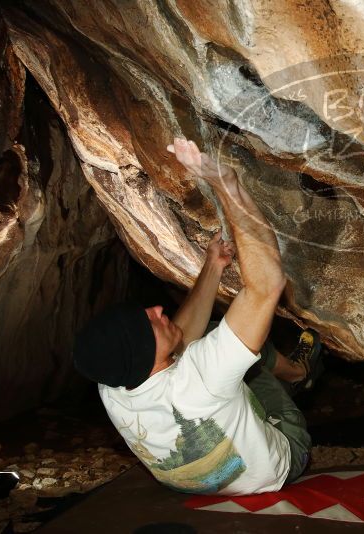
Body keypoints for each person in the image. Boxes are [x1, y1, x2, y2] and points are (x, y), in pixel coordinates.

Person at [72, 137, 322, 495]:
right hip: (278, 466)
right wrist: (225, 185)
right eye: (150, 322)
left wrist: (213, 266)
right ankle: (300, 374)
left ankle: (279, 373)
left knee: (218, 340)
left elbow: (180, 335)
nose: (159, 310)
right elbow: (267, 285)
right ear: (145, 355)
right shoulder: (199, 383)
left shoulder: (112, 385)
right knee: (238, 350)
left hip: (195, 485)